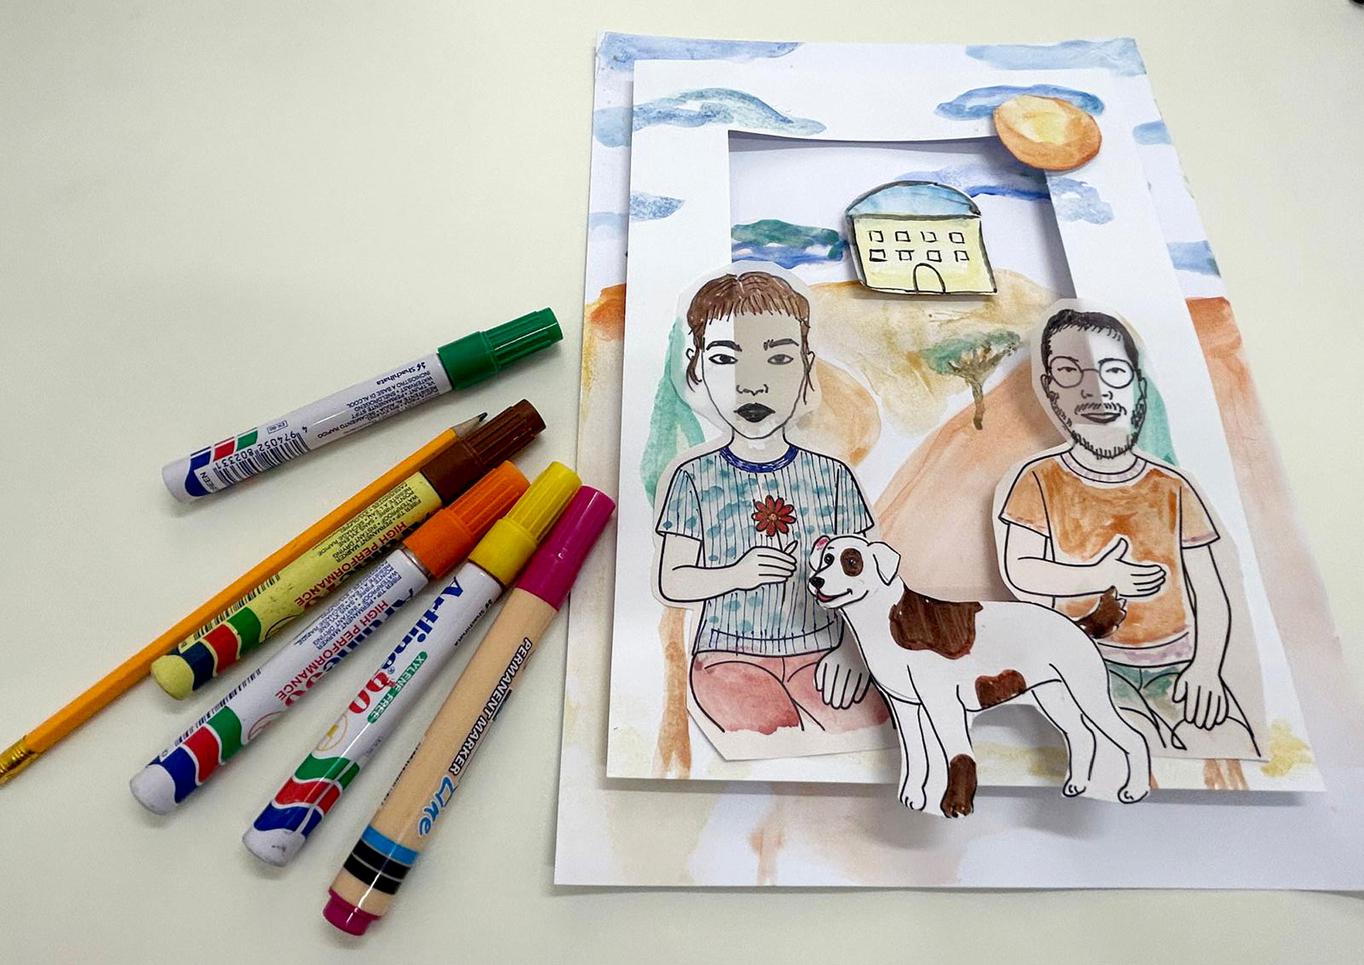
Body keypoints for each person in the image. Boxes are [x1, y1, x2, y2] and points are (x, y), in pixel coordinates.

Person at [997, 308, 1258, 756]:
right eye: (1069, 372)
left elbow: (1211, 590)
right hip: (1084, 663)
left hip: (1178, 664)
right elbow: (1020, 569)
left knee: (1228, 741)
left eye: (1114, 371)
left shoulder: (1173, 487)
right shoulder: (1038, 479)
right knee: (1130, 746)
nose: (1094, 390)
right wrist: (1098, 576)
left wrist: (1207, 667)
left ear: (1138, 387)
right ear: (1049, 389)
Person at [654, 267, 888, 736]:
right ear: (696, 367)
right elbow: (672, 580)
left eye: (778, 358)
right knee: (765, 733)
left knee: (862, 723)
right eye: (726, 359)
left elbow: (873, 577)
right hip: (728, 657)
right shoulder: (693, 477)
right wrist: (735, 574)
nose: (752, 385)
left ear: (806, 365)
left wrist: (856, 652)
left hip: (829, 651)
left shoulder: (832, 476)